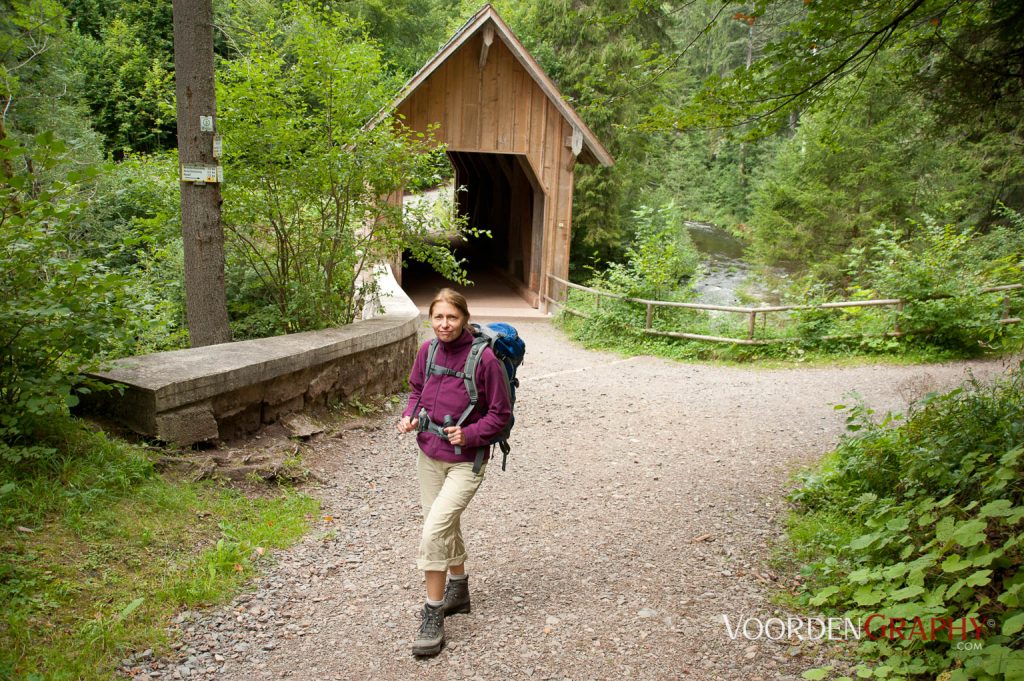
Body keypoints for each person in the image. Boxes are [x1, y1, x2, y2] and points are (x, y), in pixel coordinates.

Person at [397, 288, 512, 657]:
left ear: (464, 318)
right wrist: (411, 415)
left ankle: (433, 614)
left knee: (433, 531)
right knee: (444, 524)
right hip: (429, 454)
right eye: (438, 317)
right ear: (430, 319)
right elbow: (417, 389)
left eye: (452, 318)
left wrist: (470, 433)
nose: (444, 325)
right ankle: (458, 589)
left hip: (467, 460)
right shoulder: (427, 351)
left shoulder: (485, 359)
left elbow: (501, 414)